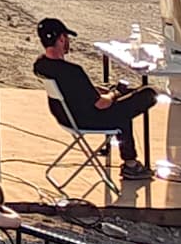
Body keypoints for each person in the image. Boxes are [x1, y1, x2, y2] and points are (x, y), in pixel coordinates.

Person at [31, 17, 152, 180]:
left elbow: (74, 89)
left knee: (123, 104)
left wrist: (101, 91)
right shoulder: (73, 71)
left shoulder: (40, 65)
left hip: (66, 116)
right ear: (61, 39)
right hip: (88, 118)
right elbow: (101, 103)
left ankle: (130, 162)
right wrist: (115, 93)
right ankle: (130, 165)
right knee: (147, 94)